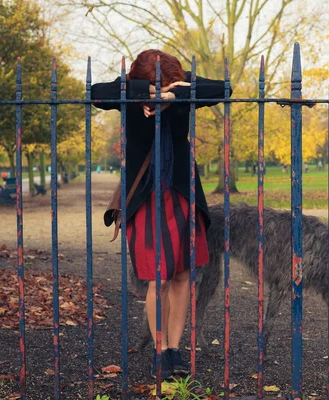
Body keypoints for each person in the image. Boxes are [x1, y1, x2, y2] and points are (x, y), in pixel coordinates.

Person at [92, 49, 230, 380]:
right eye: (158, 84)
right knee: (160, 277)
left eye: (167, 83)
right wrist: (145, 93)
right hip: (145, 199)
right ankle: (159, 348)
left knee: (183, 275)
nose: (161, 90)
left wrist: (175, 93)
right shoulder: (129, 95)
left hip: (181, 194)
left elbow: (223, 88)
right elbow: (96, 93)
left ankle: (174, 350)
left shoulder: (183, 94)